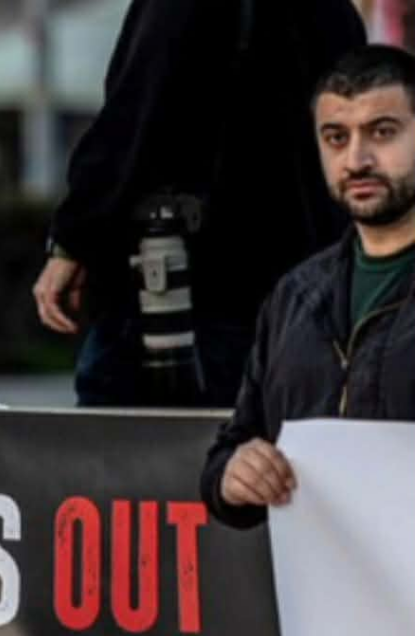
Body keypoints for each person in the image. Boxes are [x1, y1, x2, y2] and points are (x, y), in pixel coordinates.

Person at [32, 0, 366, 407]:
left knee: (123, 440)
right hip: (297, 299)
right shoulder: (332, 12)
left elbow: (135, 117)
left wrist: (73, 239)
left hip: (178, 293)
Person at [201, 44, 415, 528]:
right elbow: (236, 444)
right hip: (317, 572)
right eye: (336, 137)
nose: (357, 159)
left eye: (383, 132)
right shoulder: (294, 297)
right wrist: (233, 475)